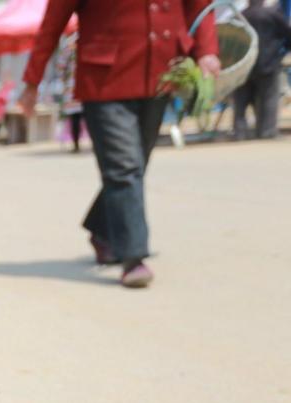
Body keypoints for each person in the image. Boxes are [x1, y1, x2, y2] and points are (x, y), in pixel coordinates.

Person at [22, 1, 219, 289]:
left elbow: (200, 5)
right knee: (124, 167)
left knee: (135, 163)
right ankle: (133, 257)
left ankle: (102, 230)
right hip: (105, 78)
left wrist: (207, 51)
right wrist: (31, 81)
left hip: (162, 73)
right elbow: (52, 23)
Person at [233, 0, 291, 140]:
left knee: (242, 101)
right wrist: (283, 51)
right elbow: (288, 34)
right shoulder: (272, 14)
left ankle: (240, 132)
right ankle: (267, 131)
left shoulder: (240, 16)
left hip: (245, 65)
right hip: (268, 62)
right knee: (269, 98)